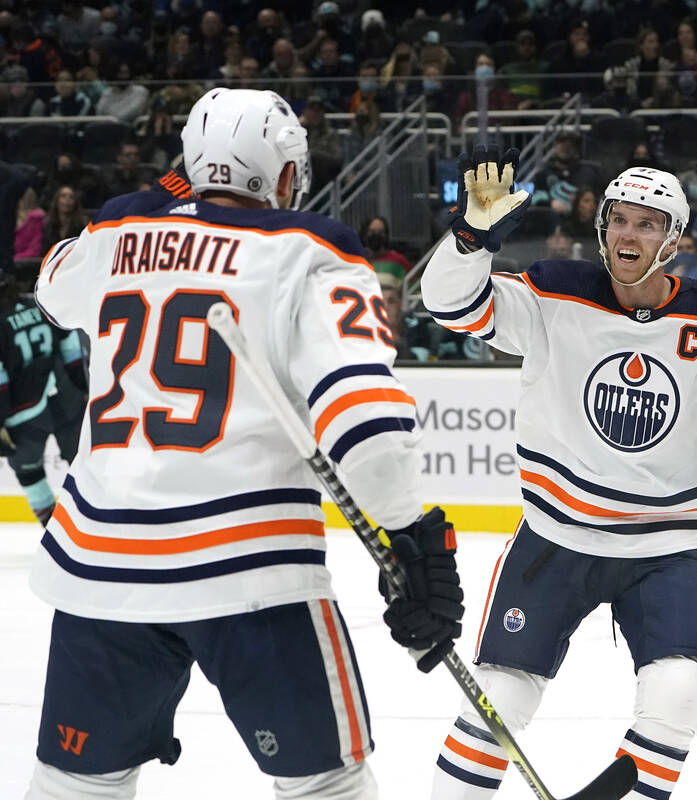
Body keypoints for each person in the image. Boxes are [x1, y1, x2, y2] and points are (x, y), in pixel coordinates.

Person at [24, 88, 463, 799]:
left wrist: (160, 199)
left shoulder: (111, 239)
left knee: (78, 783)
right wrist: (412, 534)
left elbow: (52, 284)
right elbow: (369, 428)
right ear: (288, 176)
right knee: (324, 783)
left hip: (102, 566)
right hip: (250, 570)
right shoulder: (319, 252)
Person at [421, 148, 697, 799]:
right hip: (557, 538)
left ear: (674, 239)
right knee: (498, 700)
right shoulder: (553, 292)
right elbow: (449, 307)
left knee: (680, 694)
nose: (630, 234)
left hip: (667, 550)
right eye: (619, 220)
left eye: (648, 224)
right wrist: (469, 239)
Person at [0, 272, 87, 524]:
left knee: (31, 474)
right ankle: (100, 523)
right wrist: (82, 387)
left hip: (23, 416)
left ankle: (53, 530)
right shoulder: (40, 307)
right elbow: (71, 344)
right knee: (83, 466)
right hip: (65, 398)